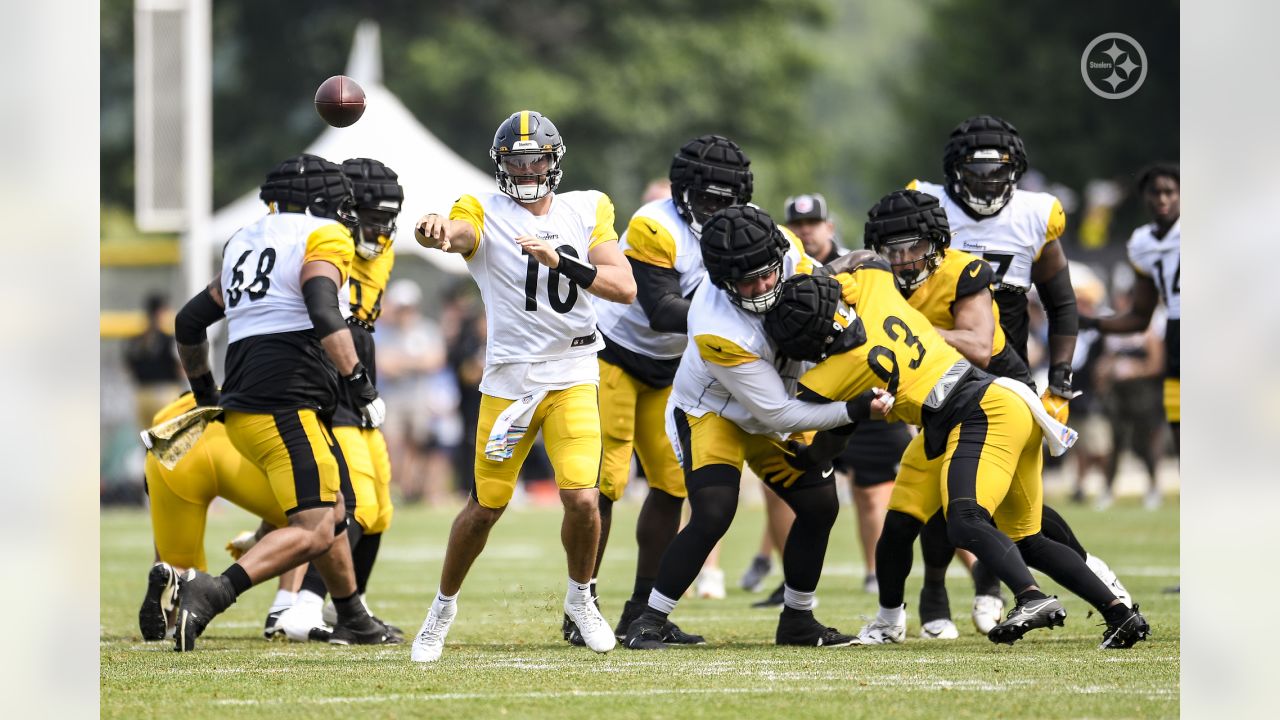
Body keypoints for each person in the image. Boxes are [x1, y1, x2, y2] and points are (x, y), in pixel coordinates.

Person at [765, 192, 1148, 650]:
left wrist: (805, 457)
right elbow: (866, 258)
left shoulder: (833, 372)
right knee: (939, 531)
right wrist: (826, 272)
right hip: (992, 403)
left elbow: (828, 437)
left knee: (965, 520)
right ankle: (1119, 613)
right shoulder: (876, 288)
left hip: (979, 414)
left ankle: (1029, 596)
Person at [410, 110, 637, 663]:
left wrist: (564, 262)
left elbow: (623, 287)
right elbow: (460, 232)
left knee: (584, 499)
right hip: (510, 381)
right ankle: (442, 607)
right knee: (485, 507)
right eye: (517, 160)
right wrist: (437, 229)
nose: (528, 168)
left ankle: (581, 599)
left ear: (554, 162)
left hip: (574, 373)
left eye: (536, 159)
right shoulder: (483, 207)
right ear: (501, 165)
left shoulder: (589, 207)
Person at [858, 191, 1130, 641]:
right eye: (894, 251)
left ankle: (1025, 591)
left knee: (995, 519)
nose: (905, 260)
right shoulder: (881, 281)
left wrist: (913, 335)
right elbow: (847, 272)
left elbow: (980, 347)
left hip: (993, 400)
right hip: (944, 411)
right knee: (912, 518)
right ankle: (897, 617)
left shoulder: (961, 270)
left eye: (914, 248)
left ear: (937, 244)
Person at [168, 153, 395, 651]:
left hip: (246, 401)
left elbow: (188, 323)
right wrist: (360, 382)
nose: (346, 212)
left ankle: (353, 614)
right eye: (339, 202)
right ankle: (212, 592)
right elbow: (322, 309)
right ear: (321, 201)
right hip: (286, 400)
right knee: (315, 529)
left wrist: (208, 391)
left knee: (335, 507)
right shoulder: (324, 236)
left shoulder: (243, 240)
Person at [623, 206, 862, 650]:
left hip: (772, 405)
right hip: (713, 411)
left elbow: (819, 286)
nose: (763, 286)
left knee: (819, 505)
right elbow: (778, 415)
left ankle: (797, 620)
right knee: (714, 510)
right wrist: (853, 409)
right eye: (747, 281)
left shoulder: (788, 250)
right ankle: (648, 620)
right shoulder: (717, 326)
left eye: (767, 273)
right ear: (720, 278)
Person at [572, 135, 752, 647]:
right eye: (708, 198)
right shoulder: (656, 223)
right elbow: (661, 310)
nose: (717, 211)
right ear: (683, 191)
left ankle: (642, 610)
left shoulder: (745, 224)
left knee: (674, 484)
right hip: (616, 353)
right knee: (604, 483)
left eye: (727, 200)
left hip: (672, 366)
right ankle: (581, 604)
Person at [907, 114, 1082, 627]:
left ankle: (992, 589)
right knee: (944, 488)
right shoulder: (927, 203)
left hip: (1008, 370)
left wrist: (1063, 374)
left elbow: (1062, 304)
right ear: (954, 170)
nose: (986, 181)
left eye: (996, 170)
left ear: (1016, 170)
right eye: (975, 171)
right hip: (937, 366)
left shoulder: (1035, 215)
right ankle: (935, 591)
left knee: (1001, 493)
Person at [744, 194, 911, 605]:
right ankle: (790, 579)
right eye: (797, 225)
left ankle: (875, 574)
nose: (805, 230)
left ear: (829, 227)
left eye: (813, 223)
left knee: (872, 491)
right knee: (783, 484)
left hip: (858, 387)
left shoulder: (854, 268)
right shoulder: (780, 272)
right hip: (808, 393)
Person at [272, 158, 406, 641]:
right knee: (351, 506)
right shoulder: (324, 245)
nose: (381, 232)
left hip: (361, 371)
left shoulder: (383, 254)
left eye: (388, 221)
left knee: (381, 511)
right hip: (330, 376)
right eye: (372, 220)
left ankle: (354, 610)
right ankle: (302, 606)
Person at [137, 392, 301, 642]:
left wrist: (164, 557)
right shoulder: (265, 387)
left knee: (174, 563)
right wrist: (260, 536)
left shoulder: (171, 407)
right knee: (305, 518)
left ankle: (173, 581)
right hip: (229, 441)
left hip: (170, 442)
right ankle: (284, 609)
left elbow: (152, 478)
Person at [1081, 163, 1180, 451]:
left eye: (1169, 192)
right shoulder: (1142, 242)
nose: (1162, 199)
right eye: (1154, 192)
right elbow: (1139, 316)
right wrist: (1090, 323)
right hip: (1174, 333)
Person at [124, 293, 184, 429]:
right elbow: (182, 369)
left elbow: (128, 369)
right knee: (168, 442)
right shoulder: (169, 340)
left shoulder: (134, 341)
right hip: (165, 394)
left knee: (148, 444)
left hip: (142, 395)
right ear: (160, 312)